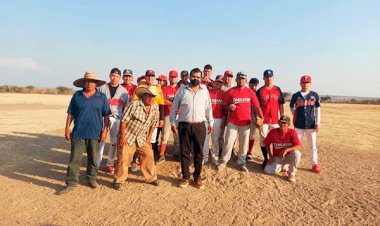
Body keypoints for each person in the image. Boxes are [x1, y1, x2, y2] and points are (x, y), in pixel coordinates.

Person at [58, 72, 111, 195]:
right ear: (83, 83)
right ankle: (71, 182)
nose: (89, 83)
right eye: (87, 81)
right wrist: (67, 128)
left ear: (96, 84)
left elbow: (107, 115)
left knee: (93, 159)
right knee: (75, 159)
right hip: (78, 133)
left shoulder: (101, 97)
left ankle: (91, 179)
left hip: (95, 133)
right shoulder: (77, 95)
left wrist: (105, 131)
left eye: (92, 81)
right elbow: (70, 112)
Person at [171, 68, 213, 189]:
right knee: (184, 152)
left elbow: (209, 108)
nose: (196, 79)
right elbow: (174, 108)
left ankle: (197, 176)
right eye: (193, 77)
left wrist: (211, 122)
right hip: (184, 125)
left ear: (201, 78)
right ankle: (185, 177)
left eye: (198, 77)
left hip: (200, 125)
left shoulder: (204, 90)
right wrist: (173, 122)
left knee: (199, 152)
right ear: (189, 77)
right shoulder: (182, 90)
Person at [113, 86, 161, 190]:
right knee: (124, 158)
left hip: (142, 137)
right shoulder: (134, 104)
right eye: (150, 95)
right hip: (128, 136)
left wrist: (148, 139)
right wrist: (122, 136)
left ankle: (151, 178)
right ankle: (118, 180)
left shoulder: (154, 107)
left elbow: (154, 123)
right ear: (144, 95)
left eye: (154, 96)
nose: (152, 98)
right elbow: (123, 120)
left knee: (148, 154)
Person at [218, 72, 263, 172]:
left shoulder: (250, 92)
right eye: (239, 78)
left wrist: (261, 118)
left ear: (246, 81)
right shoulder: (230, 91)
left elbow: (257, 106)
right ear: (236, 80)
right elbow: (224, 106)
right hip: (232, 122)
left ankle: (241, 162)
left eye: (243, 79)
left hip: (245, 123)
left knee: (243, 144)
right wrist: (229, 107)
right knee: (229, 142)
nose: (241, 80)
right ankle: (224, 161)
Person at [96, 68, 129, 173]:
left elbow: (126, 108)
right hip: (102, 117)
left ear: (120, 78)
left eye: (117, 76)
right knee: (101, 140)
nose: (114, 78)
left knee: (114, 142)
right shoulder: (101, 88)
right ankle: (97, 163)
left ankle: (110, 163)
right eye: (113, 75)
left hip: (117, 118)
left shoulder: (124, 91)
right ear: (110, 76)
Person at [290, 75, 321, 174]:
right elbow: (291, 107)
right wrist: (295, 115)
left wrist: (318, 123)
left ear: (310, 84)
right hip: (298, 125)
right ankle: (293, 163)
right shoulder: (296, 95)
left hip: (311, 124)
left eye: (307, 82)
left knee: (312, 146)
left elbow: (317, 110)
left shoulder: (314, 95)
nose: (305, 84)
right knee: (295, 145)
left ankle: (314, 164)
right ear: (300, 83)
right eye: (303, 82)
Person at [131, 70, 165, 162]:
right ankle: (135, 161)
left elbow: (161, 104)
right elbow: (134, 102)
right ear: (145, 77)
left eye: (152, 76)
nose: (150, 78)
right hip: (140, 117)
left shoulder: (158, 89)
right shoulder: (140, 87)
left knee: (152, 139)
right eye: (148, 76)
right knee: (137, 138)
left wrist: (161, 119)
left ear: (154, 78)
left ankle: (148, 160)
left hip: (153, 116)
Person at [256, 69, 285, 169]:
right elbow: (257, 106)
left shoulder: (277, 89)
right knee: (263, 140)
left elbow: (281, 104)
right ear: (263, 78)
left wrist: (282, 117)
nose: (269, 79)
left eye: (270, 77)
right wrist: (258, 118)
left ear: (273, 77)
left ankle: (276, 159)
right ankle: (266, 158)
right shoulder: (260, 91)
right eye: (267, 77)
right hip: (264, 120)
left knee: (277, 140)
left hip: (275, 120)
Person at [263, 115, 301, 182]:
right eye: (281, 122)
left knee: (297, 153)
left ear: (288, 124)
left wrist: (286, 150)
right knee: (268, 170)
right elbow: (267, 144)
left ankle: (291, 173)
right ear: (278, 123)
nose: (282, 124)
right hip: (277, 157)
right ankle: (282, 166)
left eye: (285, 123)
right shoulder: (273, 132)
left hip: (288, 157)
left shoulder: (292, 132)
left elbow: (298, 145)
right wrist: (270, 156)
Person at [157, 70, 180, 164]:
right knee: (165, 135)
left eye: (175, 77)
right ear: (169, 78)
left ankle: (176, 154)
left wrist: (172, 103)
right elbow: (163, 100)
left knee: (177, 136)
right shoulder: (165, 89)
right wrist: (175, 103)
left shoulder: (181, 89)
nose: (173, 78)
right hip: (168, 114)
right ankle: (161, 155)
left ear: (177, 78)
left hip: (178, 115)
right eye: (171, 77)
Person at [207, 75, 226, 166]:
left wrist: (224, 120)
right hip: (207, 118)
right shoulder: (208, 92)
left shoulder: (224, 93)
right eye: (217, 82)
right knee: (205, 139)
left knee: (215, 139)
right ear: (214, 82)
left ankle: (215, 157)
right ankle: (204, 157)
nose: (219, 84)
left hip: (218, 118)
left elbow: (225, 108)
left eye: (221, 82)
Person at [247, 77, 260, 162]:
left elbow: (259, 107)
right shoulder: (245, 92)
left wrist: (259, 118)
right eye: (251, 85)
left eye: (255, 86)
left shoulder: (258, 94)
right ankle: (242, 152)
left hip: (253, 118)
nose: (253, 87)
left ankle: (249, 153)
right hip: (243, 117)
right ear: (249, 84)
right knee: (242, 136)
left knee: (251, 136)